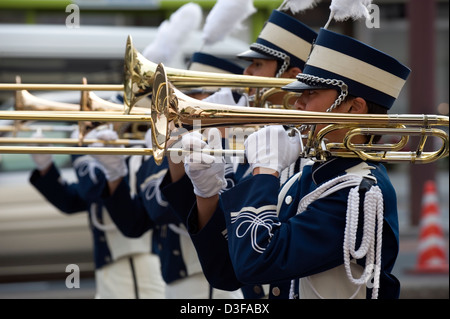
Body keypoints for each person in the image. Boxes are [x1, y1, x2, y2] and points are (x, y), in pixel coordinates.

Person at [176, 27, 411, 299]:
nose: (297, 103)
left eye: (311, 94)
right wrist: (206, 196)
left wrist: (265, 170)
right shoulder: (305, 178)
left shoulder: (359, 193)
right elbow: (227, 273)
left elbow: (257, 261)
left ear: (354, 107)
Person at [160, 8, 318, 299]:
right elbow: (226, 268)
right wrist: (204, 192)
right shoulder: (253, 145)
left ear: (292, 76)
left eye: (257, 65)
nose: (246, 74)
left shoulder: (317, 159)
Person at [91, 53, 251, 299]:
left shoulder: (236, 144)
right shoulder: (174, 140)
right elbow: (138, 221)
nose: (180, 102)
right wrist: (115, 175)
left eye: (194, 94)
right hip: (176, 277)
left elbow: (186, 209)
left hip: (212, 282)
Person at [29, 127, 166, 299]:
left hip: (139, 258)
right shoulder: (112, 149)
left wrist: (81, 152)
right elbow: (71, 201)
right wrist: (45, 167)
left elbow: (94, 186)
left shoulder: (138, 152)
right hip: (108, 260)